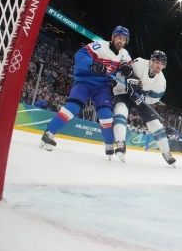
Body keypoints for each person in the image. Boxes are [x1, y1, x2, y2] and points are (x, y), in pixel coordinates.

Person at [40, 26, 131, 159]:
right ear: (113, 37)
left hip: (102, 87)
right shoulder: (100, 46)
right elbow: (80, 55)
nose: (121, 41)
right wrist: (92, 64)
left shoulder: (125, 55)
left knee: (106, 115)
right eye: (119, 38)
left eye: (124, 39)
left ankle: (109, 144)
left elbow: (129, 71)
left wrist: (128, 72)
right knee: (72, 107)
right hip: (84, 81)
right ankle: (48, 134)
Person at [111, 50, 176, 166]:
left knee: (156, 124)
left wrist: (142, 99)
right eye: (157, 62)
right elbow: (122, 73)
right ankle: (120, 143)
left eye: (162, 64)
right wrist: (128, 81)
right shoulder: (139, 63)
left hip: (141, 99)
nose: (159, 66)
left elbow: (154, 99)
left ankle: (166, 153)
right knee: (120, 110)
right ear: (151, 61)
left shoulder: (161, 82)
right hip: (125, 92)